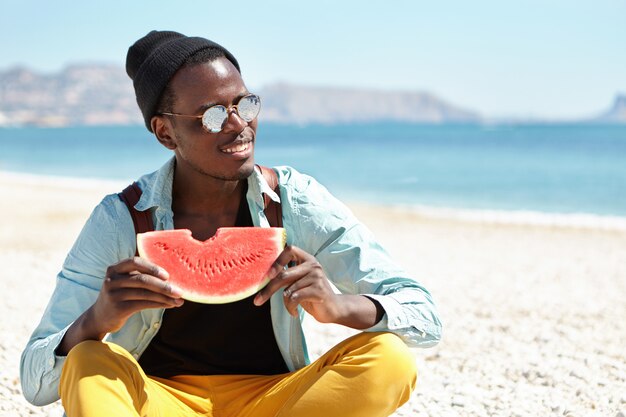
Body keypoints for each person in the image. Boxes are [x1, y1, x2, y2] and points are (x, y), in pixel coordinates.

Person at [20, 30, 442, 417]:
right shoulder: (123, 217)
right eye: (212, 116)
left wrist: (339, 306)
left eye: (244, 104)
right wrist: (96, 320)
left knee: (389, 357)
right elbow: (35, 381)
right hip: (159, 401)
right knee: (89, 360)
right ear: (166, 133)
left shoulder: (292, 199)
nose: (239, 125)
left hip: (275, 401)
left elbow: (423, 314)